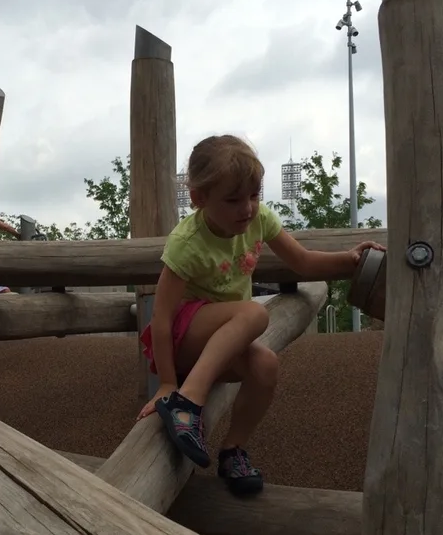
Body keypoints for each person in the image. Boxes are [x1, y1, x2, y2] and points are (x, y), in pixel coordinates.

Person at [137, 134, 384, 496]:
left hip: (222, 342)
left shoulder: (258, 220)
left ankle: (232, 450)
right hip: (184, 338)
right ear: (199, 199)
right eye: (233, 200)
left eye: (254, 196)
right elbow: (160, 319)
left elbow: (301, 261)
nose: (247, 209)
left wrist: (349, 259)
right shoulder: (187, 243)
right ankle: (186, 402)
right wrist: (167, 384)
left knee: (266, 365)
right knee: (255, 314)